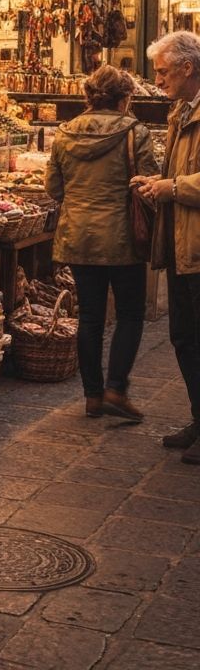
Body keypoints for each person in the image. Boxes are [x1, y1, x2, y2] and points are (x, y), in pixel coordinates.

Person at [45, 64, 158, 421]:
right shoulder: (134, 133)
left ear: (88, 96)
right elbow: (148, 182)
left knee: (90, 317)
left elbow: (54, 188)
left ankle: (92, 396)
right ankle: (116, 389)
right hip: (123, 237)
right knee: (129, 314)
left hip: (78, 236)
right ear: (125, 98)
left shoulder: (64, 134)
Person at [133, 31, 200, 463]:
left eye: (162, 71)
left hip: (198, 247)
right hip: (180, 243)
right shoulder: (181, 112)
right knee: (184, 338)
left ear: (187, 68)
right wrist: (156, 185)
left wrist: (170, 186)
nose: (156, 80)